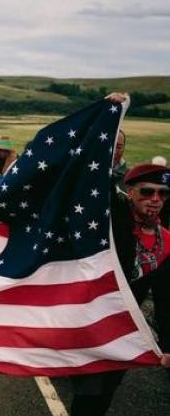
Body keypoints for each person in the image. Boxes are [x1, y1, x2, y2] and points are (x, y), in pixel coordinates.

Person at [69, 163, 170, 416]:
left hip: (126, 331)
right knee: (89, 393)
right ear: (131, 192)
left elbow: (165, 297)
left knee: (108, 390)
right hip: (93, 322)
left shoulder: (166, 240)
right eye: (147, 192)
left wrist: (168, 344)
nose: (155, 199)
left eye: (163, 193)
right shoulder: (110, 224)